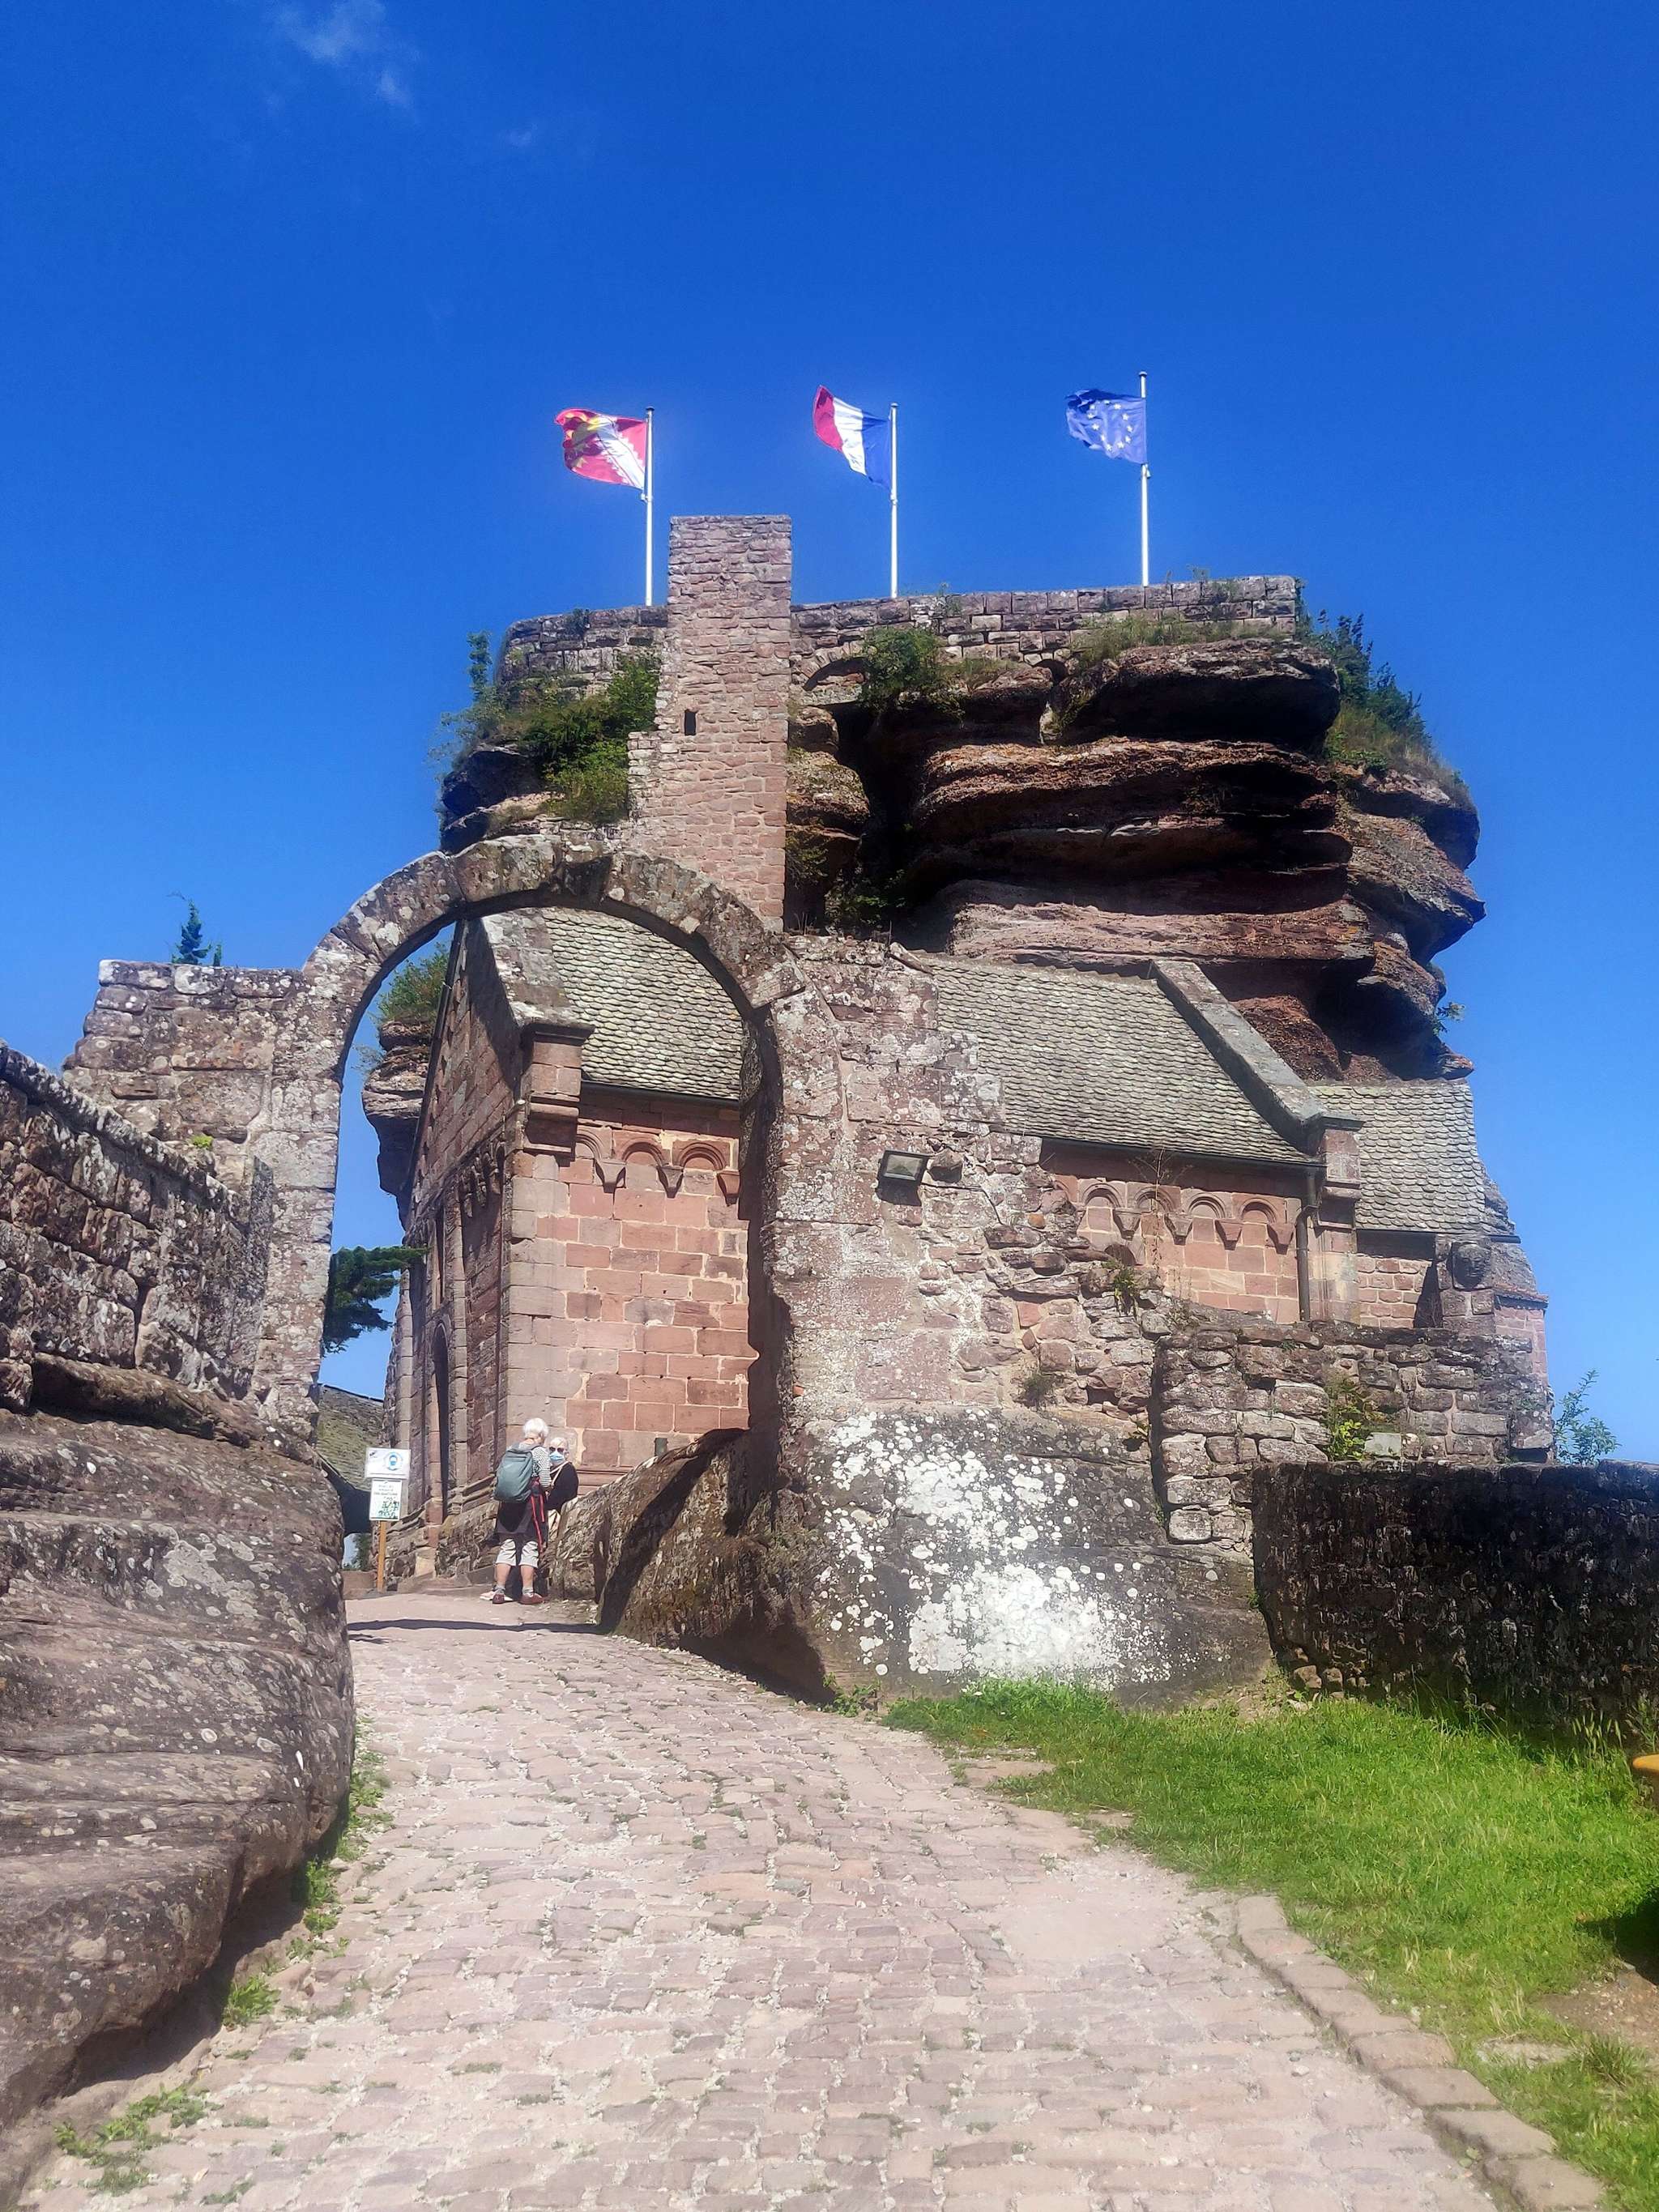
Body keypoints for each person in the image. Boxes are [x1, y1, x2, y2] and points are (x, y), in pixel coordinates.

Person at [487, 1417, 556, 1606]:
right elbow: (544, 1481)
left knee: (507, 1547)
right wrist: (550, 1488)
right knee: (529, 1546)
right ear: (541, 1435)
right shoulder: (539, 1452)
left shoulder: (511, 1450)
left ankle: (499, 1591)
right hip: (529, 1505)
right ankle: (528, 1593)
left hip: (508, 1505)